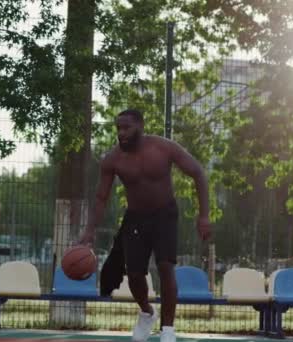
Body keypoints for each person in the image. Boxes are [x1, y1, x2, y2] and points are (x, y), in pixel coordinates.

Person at [78, 109, 211, 342]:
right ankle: (147, 312)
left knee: (165, 267)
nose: (121, 133)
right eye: (118, 128)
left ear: (140, 126)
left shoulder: (164, 148)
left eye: (126, 127)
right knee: (135, 275)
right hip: (136, 218)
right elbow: (101, 198)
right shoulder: (113, 159)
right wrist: (89, 230)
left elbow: (198, 173)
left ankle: (168, 330)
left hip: (165, 215)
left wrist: (204, 216)